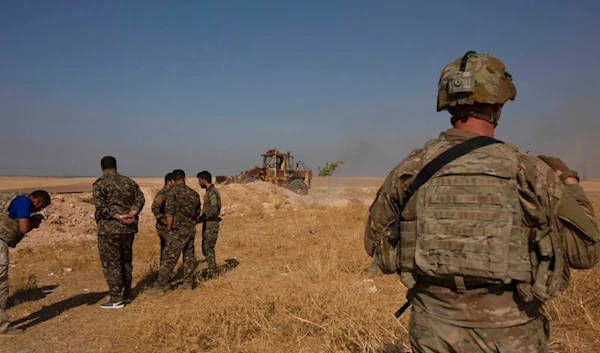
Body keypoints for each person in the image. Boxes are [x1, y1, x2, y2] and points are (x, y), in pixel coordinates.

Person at [364, 51, 600, 352]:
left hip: (433, 332)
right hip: (512, 336)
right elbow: (587, 252)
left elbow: (375, 243)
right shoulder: (529, 172)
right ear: (498, 103)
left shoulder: (412, 169)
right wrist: (571, 185)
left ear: (447, 103)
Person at [92, 156, 145, 308]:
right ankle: (127, 294)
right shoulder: (129, 182)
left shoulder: (100, 184)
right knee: (126, 261)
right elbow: (140, 199)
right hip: (128, 229)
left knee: (112, 263)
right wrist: (131, 214)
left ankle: (116, 299)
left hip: (109, 230)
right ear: (116, 166)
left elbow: (101, 207)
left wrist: (119, 216)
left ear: (102, 168)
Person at [0, 190, 51, 336]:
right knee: (1, 286)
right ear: (38, 202)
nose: (38, 210)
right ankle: (2, 327)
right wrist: (33, 222)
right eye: (40, 208)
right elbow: (23, 227)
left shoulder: (16, 199)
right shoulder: (24, 202)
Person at [148, 169, 200, 295]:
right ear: (185, 179)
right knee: (188, 256)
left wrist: (169, 228)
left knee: (169, 258)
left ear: (174, 180)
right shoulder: (194, 194)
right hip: (190, 229)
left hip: (177, 230)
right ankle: (188, 283)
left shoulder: (172, 193)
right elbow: (197, 214)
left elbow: (170, 214)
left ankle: (160, 287)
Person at [197, 171, 222, 276]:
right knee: (205, 247)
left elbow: (214, 208)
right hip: (208, 223)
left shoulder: (212, 192)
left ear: (204, 180)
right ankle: (212, 268)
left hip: (211, 224)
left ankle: (213, 271)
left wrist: (203, 217)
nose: (199, 183)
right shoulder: (210, 191)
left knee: (208, 247)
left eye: (199, 180)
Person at [151, 172, 175, 266]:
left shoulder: (172, 193)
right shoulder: (162, 194)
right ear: (169, 182)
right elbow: (155, 207)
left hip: (169, 225)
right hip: (163, 227)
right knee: (167, 250)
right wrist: (163, 220)